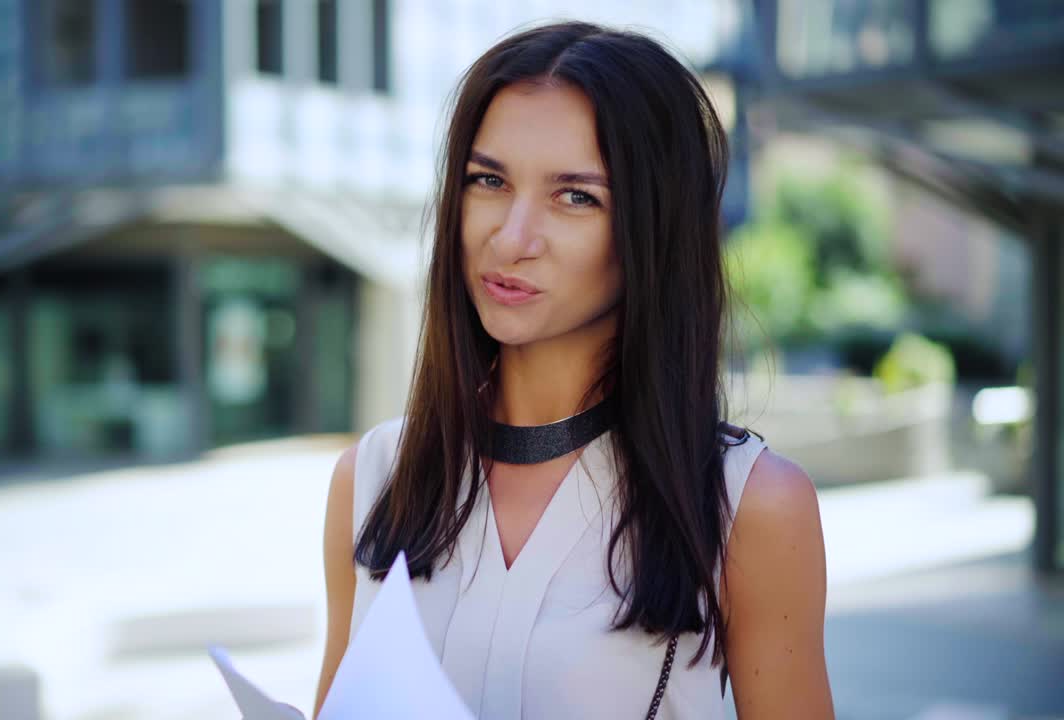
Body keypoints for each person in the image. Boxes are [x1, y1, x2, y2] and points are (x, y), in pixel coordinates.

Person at [315, 21, 834, 719]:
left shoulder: (751, 506)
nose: (512, 237)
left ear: (652, 230)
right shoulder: (373, 478)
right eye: (488, 180)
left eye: (575, 196)